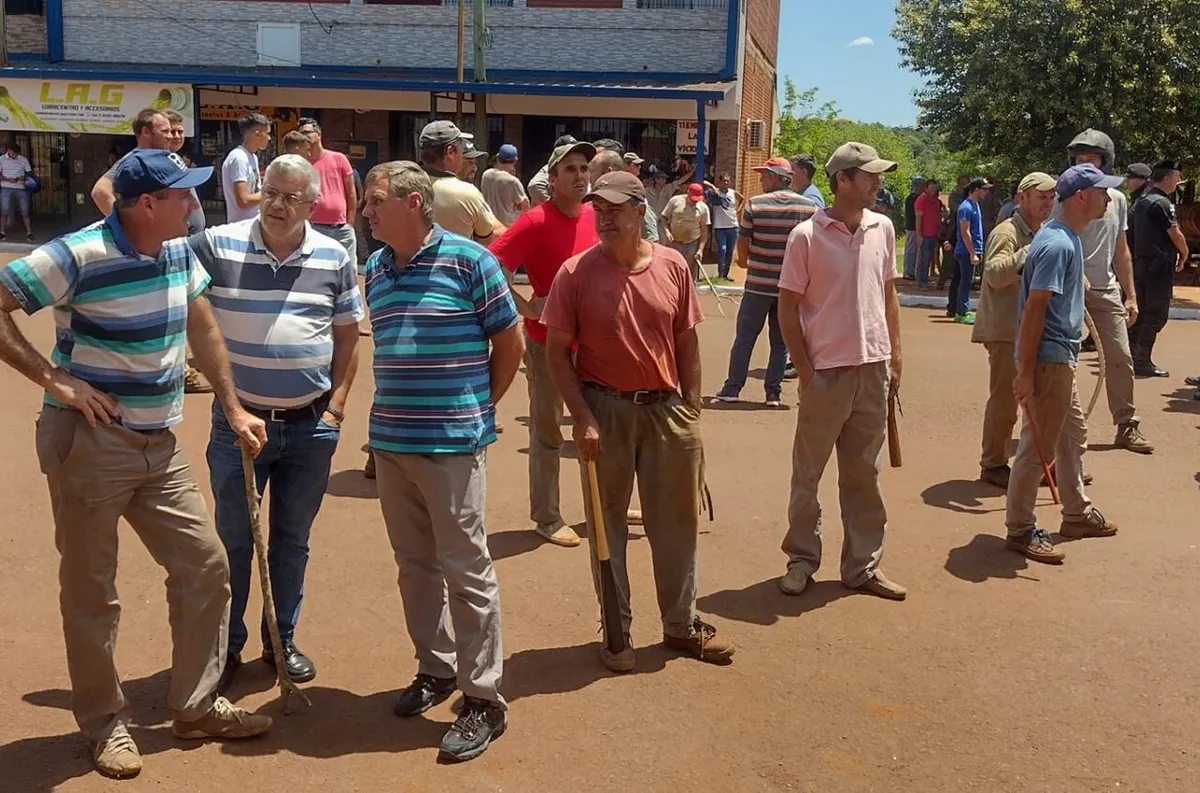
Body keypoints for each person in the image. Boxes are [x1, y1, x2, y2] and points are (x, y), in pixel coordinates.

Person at [0, 149, 273, 779]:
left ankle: (196, 704)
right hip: (90, 441)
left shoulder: (177, 249)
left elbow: (202, 327)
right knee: (93, 591)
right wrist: (55, 379)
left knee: (205, 563)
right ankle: (103, 722)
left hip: (159, 442)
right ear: (146, 203)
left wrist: (231, 406)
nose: (193, 203)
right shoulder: (78, 253)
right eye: (181, 195)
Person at [361, 161, 523, 762]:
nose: (365, 211)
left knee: (466, 567)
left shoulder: (469, 261)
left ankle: (483, 699)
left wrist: (478, 408)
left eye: (375, 201)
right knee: (414, 566)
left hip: (453, 443)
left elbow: (510, 342)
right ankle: (436, 667)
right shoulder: (376, 268)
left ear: (413, 202)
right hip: (393, 442)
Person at [542, 170, 735, 672]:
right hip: (603, 410)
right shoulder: (576, 273)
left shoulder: (672, 265)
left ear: (638, 210)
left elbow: (686, 339)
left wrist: (690, 404)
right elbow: (558, 355)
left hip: (667, 410)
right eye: (597, 210)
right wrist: (580, 417)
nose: (603, 218)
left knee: (676, 524)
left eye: (613, 209)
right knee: (607, 526)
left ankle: (681, 624)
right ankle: (616, 629)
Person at [196, 155, 364, 693]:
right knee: (233, 540)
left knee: (292, 540)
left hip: (310, 428)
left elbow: (346, 339)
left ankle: (280, 638)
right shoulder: (217, 245)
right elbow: (154, 263)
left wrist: (336, 409)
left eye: (292, 197)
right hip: (238, 426)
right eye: (271, 191)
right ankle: (227, 647)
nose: (277, 204)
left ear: (313, 204)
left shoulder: (334, 256)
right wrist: (230, 405)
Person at [776, 142, 905, 601]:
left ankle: (862, 567)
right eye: (869, 175)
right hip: (825, 373)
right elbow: (787, 309)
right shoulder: (806, 237)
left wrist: (894, 356)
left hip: (873, 368)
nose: (878, 182)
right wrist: (806, 369)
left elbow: (887, 296)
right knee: (808, 474)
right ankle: (801, 560)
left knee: (863, 474)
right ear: (843, 180)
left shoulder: (882, 229)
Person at [1005, 163, 1120, 564]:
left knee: (1071, 439)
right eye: (1102, 191)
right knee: (1037, 452)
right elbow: (1035, 310)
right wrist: (1024, 371)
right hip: (1049, 361)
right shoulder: (1057, 245)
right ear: (1081, 198)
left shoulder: (1063, 239)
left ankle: (1076, 512)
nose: (1107, 198)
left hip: (1058, 358)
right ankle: (1019, 529)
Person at [490, 140, 598, 549]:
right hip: (547, 343)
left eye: (584, 168)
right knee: (549, 433)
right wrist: (525, 306)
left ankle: (605, 504)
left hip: (595, 345)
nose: (579, 175)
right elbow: (492, 263)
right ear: (551, 179)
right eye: (569, 169)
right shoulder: (535, 221)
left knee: (600, 425)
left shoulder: (594, 215)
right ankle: (547, 516)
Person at [1051, 129, 1152, 453]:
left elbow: (1121, 250)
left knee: (1121, 356)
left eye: (1091, 160)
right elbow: (1055, 238)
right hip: (1068, 289)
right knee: (1059, 362)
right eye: (1079, 161)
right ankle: (1057, 433)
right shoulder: (1061, 197)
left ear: (1105, 163)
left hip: (1105, 289)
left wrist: (1131, 294)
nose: (1084, 166)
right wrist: (1073, 274)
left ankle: (1126, 424)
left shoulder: (1117, 200)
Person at [971, 172, 1058, 489]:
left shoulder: (1042, 231)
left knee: (1038, 401)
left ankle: (1039, 465)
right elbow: (993, 274)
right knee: (1005, 401)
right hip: (1006, 330)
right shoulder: (1006, 232)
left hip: (1026, 328)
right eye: (1041, 197)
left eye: (1051, 198)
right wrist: (1030, 253)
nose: (1047, 204)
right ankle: (993, 464)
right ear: (1022, 198)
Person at [714, 157, 817, 407]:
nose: (760, 180)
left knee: (745, 338)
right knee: (780, 342)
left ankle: (732, 388)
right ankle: (773, 392)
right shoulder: (808, 207)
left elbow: (743, 250)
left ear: (774, 177)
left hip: (759, 283)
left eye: (763, 175)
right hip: (789, 288)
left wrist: (747, 261)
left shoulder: (754, 205)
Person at [1129, 160, 1188, 378]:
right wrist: (1185, 253)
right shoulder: (1162, 204)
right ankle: (1141, 360)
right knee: (1155, 314)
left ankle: (1132, 356)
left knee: (1141, 311)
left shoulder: (1141, 202)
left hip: (1141, 265)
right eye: (1176, 177)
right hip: (1158, 267)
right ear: (1166, 179)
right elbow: (1175, 234)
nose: (1178, 182)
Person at [419, 120, 505, 244]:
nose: (474, 167)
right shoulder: (465, 193)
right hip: (454, 262)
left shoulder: (403, 184)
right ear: (450, 152)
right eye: (461, 152)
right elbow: (487, 239)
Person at [296, 117, 359, 265]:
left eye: (307, 133)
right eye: (301, 134)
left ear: (319, 134)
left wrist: (350, 224)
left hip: (342, 229)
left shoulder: (339, 158)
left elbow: (351, 193)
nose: (304, 137)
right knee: (317, 268)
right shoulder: (302, 163)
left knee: (348, 270)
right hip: (314, 227)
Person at [591, 148, 658, 243]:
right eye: (598, 209)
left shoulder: (635, 195)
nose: (604, 220)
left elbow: (651, 239)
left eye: (614, 209)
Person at [951, 177, 990, 323]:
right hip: (966, 251)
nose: (986, 192)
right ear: (976, 189)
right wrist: (973, 253)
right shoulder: (966, 207)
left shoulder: (975, 205)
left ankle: (960, 311)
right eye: (984, 189)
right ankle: (963, 312)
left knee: (967, 281)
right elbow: (965, 232)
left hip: (972, 250)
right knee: (966, 282)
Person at [220, 112, 271, 223]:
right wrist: (270, 193)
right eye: (267, 133)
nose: (269, 138)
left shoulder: (252, 157)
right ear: (257, 135)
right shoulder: (239, 158)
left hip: (252, 224)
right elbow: (243, 200)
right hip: (241, 228)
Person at [661, 182, 710, 281]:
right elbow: (663, 218)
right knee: (673, 270)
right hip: (675, 243)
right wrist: (667, 232)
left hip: (692, 244)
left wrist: (700, 250)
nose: (694, 201)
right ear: (688, 193)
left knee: (690, 273)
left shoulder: (703, 208)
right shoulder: (674, 201)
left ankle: (690, 293)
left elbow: (704, 232)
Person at [704, 172, 741, 282]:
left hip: (733, 226)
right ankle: (720, 273)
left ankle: (725, 274)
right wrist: (712, 186)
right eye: (723, 181)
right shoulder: (714, 193)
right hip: (720, 227)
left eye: (727, 181)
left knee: (730, 251)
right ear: (720, 182)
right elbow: (703, 182)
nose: (726, 183)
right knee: (722, 249)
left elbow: (742, 199)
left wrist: (738, 210)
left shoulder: (732, 193)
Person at [481, 143, 530, 226]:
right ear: (515, 161)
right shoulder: (513, 181)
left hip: (488, 225)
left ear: (497, 157)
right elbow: (525, 207)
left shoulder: (486, 175)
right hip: (507, 228)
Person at [527, 133, 577, 207]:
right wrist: (555, 207)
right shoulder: (552, 167)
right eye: (570, 151)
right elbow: (534, 185)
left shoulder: (579, 170)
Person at [0, 141, 34, 241]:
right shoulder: (1, 159)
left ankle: (29, 232)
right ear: (9, 151)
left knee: (25, 210)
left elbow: (30, 174)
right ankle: (2, 232)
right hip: (6, 187)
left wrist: (22, 178)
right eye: (13, 153)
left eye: (16, 154)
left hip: (20, 187)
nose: (15, 156)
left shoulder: (23, 160)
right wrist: (7, 179)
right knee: (4, 209)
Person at [913, 178, 942, 289]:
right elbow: (918, 219)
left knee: (929, 258)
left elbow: (937, 217)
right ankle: (922, 282)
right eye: (931, 187)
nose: (933, 190)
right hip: (925, 234)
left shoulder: (935, 201)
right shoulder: (921, 200)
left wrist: (939, 229)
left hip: (933, 233)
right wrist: (919, 235)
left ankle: (924, 280)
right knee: (924, 259)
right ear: (926, 188)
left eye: (935, 187)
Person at [903, 175, 925, 279]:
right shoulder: (911, 198)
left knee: (917, 251)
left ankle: (914, 271)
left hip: (918, 227)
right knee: (911, 250)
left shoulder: (920, 198)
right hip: (912, 227)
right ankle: (908, 272)